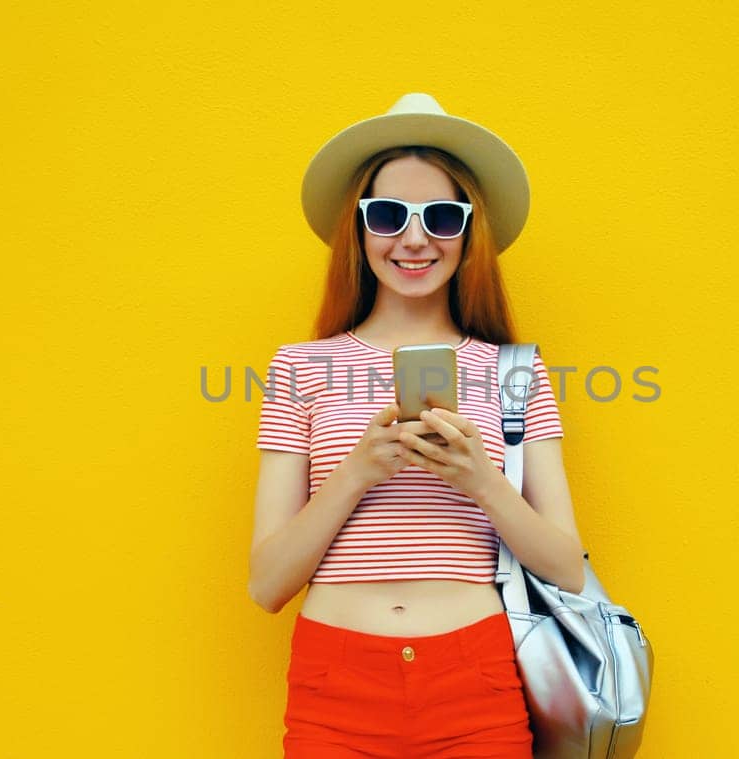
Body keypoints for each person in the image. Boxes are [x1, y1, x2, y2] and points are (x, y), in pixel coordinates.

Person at [248, 93, 587, 759]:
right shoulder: (300, 367)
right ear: (358, 227)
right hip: (334, 681)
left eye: (439, 216)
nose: (413, 238)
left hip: (477, 676)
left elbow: (568, 569)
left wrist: (482, 480)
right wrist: (357, 472)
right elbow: (266, 585)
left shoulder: (515, 372)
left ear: (469, 232)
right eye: (387, 214)